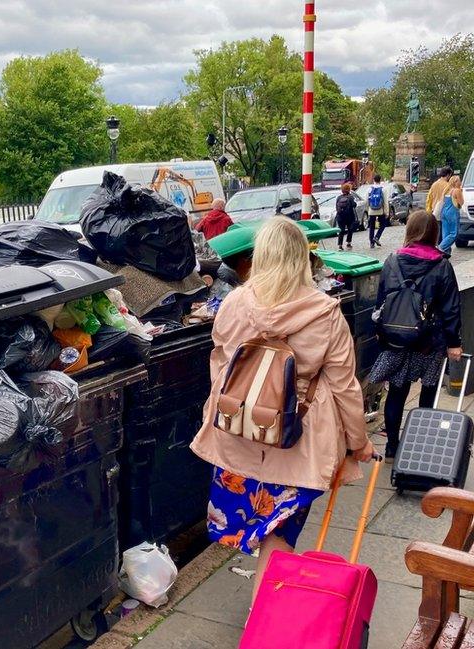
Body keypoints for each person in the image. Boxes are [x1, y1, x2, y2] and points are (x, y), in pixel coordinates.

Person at [190, 217, 374, 604]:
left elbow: (220, 366)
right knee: (280, 535)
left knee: (252, 525)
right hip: (297, 443)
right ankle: (266, 616)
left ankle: (265, 607)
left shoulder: (234, 303)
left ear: (262, 256)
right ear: (300, 259)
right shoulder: (325, 313)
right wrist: (358, 443)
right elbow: (345, 386)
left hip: (239, 434)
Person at [370, 211, 462, 461]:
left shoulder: (391, 260)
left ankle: (392, 447)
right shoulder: (442, 265)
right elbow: (451, 308)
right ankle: (419, 444)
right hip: (430, 342)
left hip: (396, 339)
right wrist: (454, 343)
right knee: (428, 392)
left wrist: (381, 334)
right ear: (435, 234)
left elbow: (381, 303)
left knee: (397, 392)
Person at [438, 176, 463, 255]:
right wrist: (461, 193)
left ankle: (446, 252)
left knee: (446, 233)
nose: (460, 182)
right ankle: (441, 248)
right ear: (455, 182)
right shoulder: (457, 190)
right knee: (454, 233)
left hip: (444, 212)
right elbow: (461, 202)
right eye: (459, 181)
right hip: (452, 212)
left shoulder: (446, 190)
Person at [366, 174, 388, 248]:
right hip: (380, 210)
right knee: (383, 224)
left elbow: (367, 201)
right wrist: (386, 212)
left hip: (371, 210)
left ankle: (371, 243)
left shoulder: (369, 189)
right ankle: (377, 237)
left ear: (374, 180)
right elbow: (385, 202)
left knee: (371, 226)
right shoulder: (383, 189)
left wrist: (368, 210)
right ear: (380, 180)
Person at [334, 183, 358, 250]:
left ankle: (340, 245)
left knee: (341, 230)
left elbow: (336, 206)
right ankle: (348, 243)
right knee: (350, 229)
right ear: (349, 189)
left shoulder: (339, 197)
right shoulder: (350, 197)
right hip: (349, 217)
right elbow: (354, 205)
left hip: (340, 217)